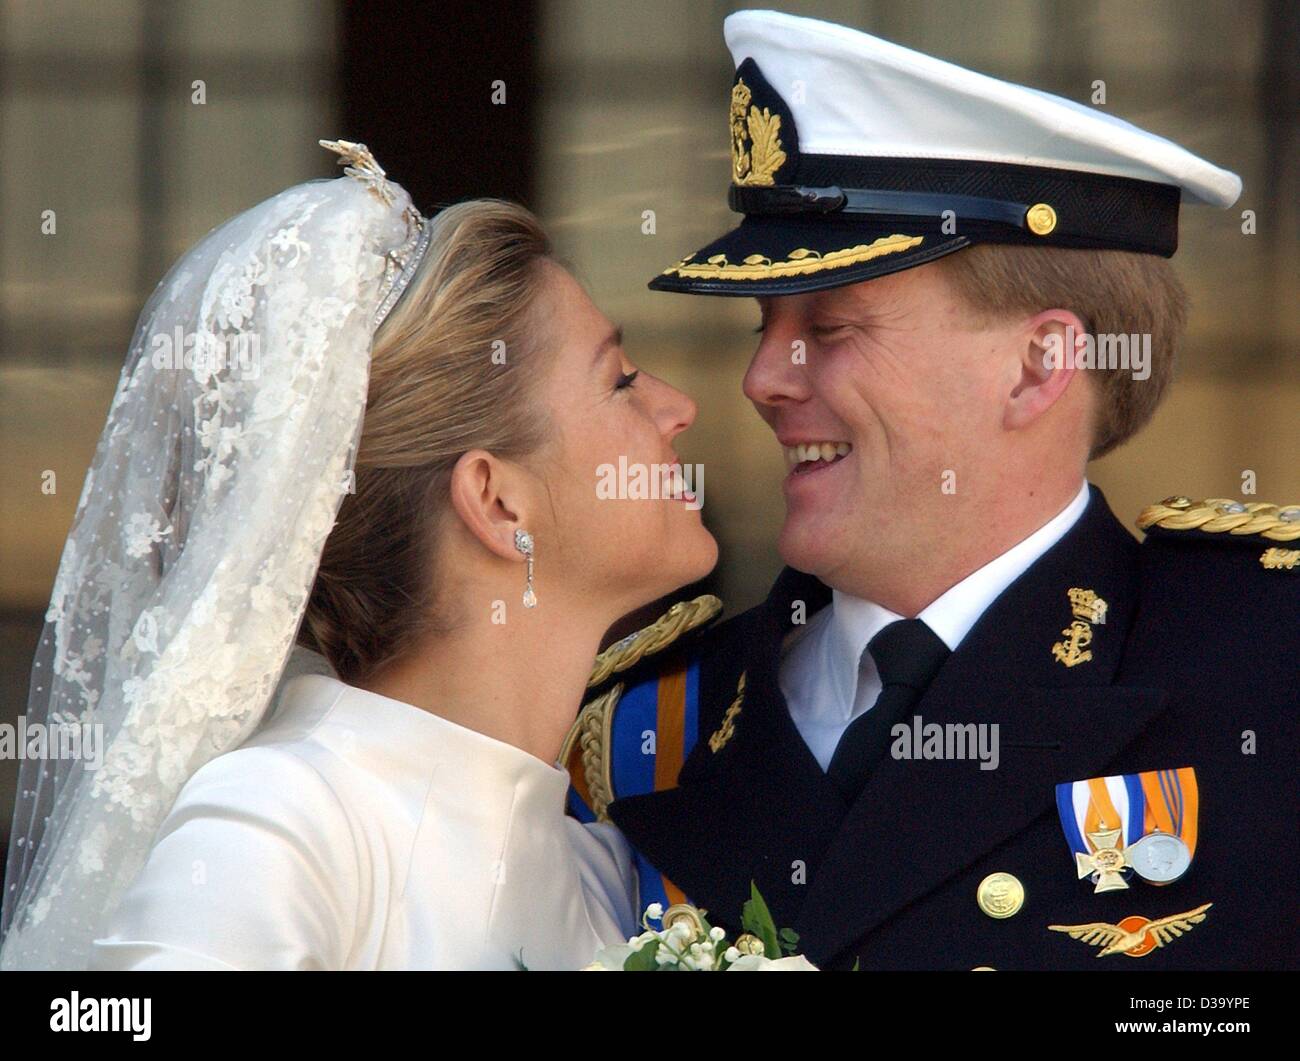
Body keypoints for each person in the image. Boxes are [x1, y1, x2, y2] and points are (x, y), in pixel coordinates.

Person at [564, 11, 1299, 970]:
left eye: (829, 327)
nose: (763, 381)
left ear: (1039, 366)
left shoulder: (1268, 669)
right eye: (763, 324)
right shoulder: (647, 725)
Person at [0, 140, 716, 970]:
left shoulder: (605, 877)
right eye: (622, 380)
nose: (679, 407)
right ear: (496, 501)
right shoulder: (282, 826)